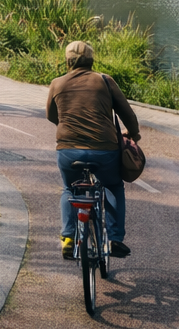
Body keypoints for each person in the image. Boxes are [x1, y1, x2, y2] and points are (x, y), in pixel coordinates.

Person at [47, 41, 140, 259]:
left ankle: (68, 237)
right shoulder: (104, 81)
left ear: (68, 61)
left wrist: (71, 131)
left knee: (69, 189)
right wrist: (133, 134)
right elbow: (127, 114)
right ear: (92, 60)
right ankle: (115, 238)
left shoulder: (57, 83)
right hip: (105, 150)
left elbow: (52, 116)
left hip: (68, 151)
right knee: (113, 185)